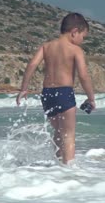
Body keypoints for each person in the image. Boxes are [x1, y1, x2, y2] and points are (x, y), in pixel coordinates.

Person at [16, 13, 96, 165]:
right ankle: (68, 171)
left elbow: (32, 65)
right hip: (64, 93)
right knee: (69, 134)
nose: (82, 41)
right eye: (83, 37)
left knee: (59, 131)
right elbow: (84, 76)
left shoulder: (46, 47)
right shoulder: (75, 50)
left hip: (47, 94)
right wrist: (91, 98)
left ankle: (58, 168)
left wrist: (24, 89)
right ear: (74, 32)